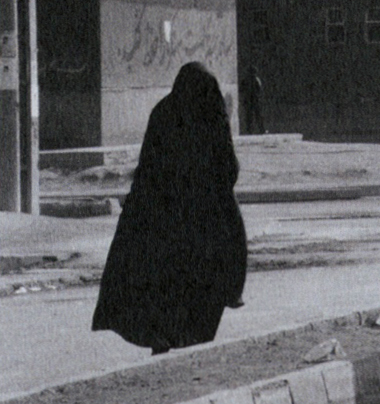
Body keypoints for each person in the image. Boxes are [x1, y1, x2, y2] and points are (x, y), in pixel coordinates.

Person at [93, 62, 247, 353]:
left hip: (163, 214)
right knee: (210, 272)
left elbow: (148, 166)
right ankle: (189, 337)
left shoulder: (164, 111)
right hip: (204, 218)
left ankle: (163, 336)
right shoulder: (210, 112)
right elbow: (229, 169)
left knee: (162, 279)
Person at [239, 65, 265, 136]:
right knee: (257, 115)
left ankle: (250, 130)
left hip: (248, 100)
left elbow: (241, 90)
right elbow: (260, 90)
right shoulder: (256, 80)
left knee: (249, 116)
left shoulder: (245, 80)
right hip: (255, 100)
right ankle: (261, 129)